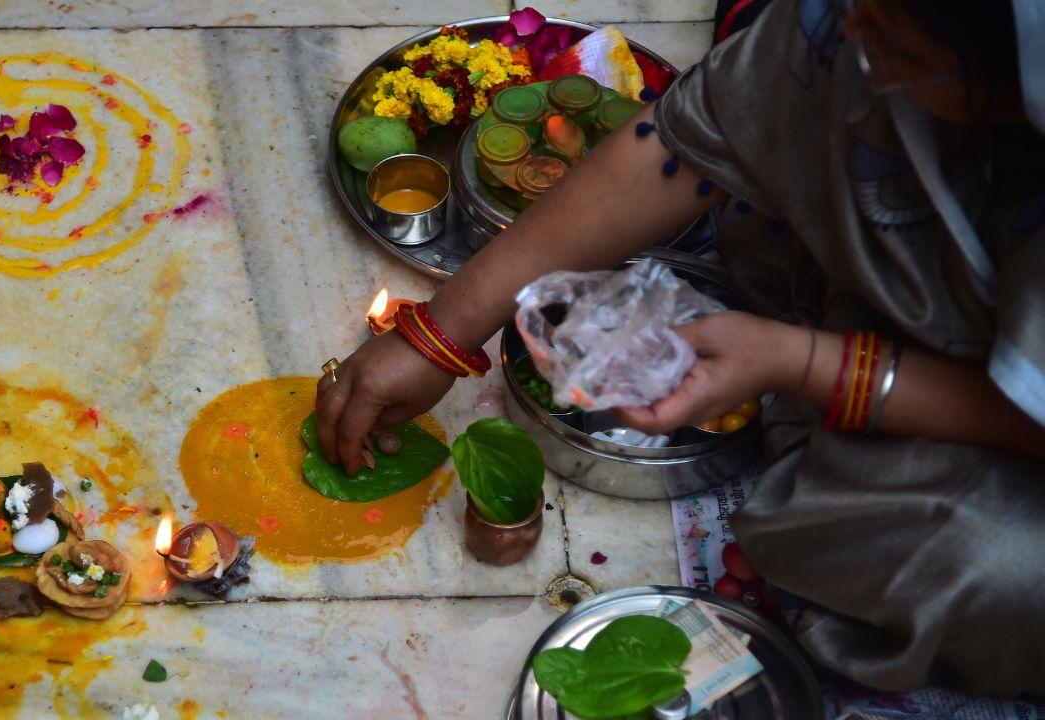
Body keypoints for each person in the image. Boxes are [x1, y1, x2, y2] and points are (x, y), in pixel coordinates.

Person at [316, 0, 1045, 697]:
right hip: (895, 290)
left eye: (902, 39)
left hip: (1007, 428)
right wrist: (439, 335)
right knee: (754, 214)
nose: (852, 25)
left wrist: (810, 364)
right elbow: (679, 144)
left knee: (971, 566)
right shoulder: (855, 21)